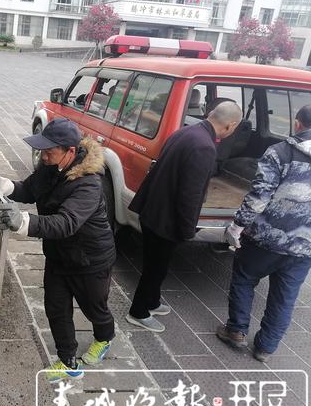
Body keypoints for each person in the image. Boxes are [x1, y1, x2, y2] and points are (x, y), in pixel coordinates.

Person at [0, 118, 116, 383]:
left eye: (50, 151)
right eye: (42, 149)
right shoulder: (50, 167)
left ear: (70, 151)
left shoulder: (89, 183)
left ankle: (104, 337)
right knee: (56, 308)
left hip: (90, 260)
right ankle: (68, 360)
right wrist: (0, 183)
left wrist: (23, 222)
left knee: (94, 308)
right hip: (59, 255)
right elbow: (29, 189)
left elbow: (66, 223)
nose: (44, 155)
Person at [126, 101, 243, 332]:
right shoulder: (205, 147)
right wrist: (188, 230)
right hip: (164, 218)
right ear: (231, 126)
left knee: (158, 264)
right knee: (155, 268)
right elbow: (189, 195)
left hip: (153, 209)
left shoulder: (187, 132)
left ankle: (152, 302)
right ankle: (138, 312)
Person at [217, 105, 311, 362]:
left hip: (266, 238)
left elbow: (259, 197)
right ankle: (265, 347)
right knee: (285, 296)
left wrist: (237, 226)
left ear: (297, 124)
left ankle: (236, 330)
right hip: (305, 247)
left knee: (244, 278)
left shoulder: (280, 152)